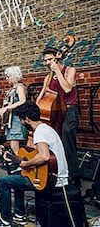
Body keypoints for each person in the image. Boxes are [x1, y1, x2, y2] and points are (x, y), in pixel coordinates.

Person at [0, 101, 69, 227]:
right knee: (19, 174)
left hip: (50, 180)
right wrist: (15, 159)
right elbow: (40, 155)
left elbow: (44, 156)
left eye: (21, 120)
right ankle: (19, 215)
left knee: (2, 182)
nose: (21, 122)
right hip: (55, 175)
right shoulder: (47, 128)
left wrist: (27, 164)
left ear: (27, 119)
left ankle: (5, 221)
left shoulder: (40, 131)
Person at [36, 47, 81, 188]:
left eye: (50, 59)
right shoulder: (48, 76)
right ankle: (59, 175)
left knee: (68, 144)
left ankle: (74, 179)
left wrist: (57, 72)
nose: (48, 63)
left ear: (57, 57)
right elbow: (41, 95)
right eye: (45, 61)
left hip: (69, 111)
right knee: (55, 144)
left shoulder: (69, 70)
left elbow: (67, 88)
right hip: (54, 114)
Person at [0, 66, 27, 156]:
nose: (7, 79)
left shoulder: (19, 87)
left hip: (16, 118)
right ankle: (17, 161)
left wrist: (7, 108)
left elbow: (23, 101)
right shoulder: (11, 89)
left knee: (14, 141)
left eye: (8, 76)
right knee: (11, 140)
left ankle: (20, 163)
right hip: (10, 119)